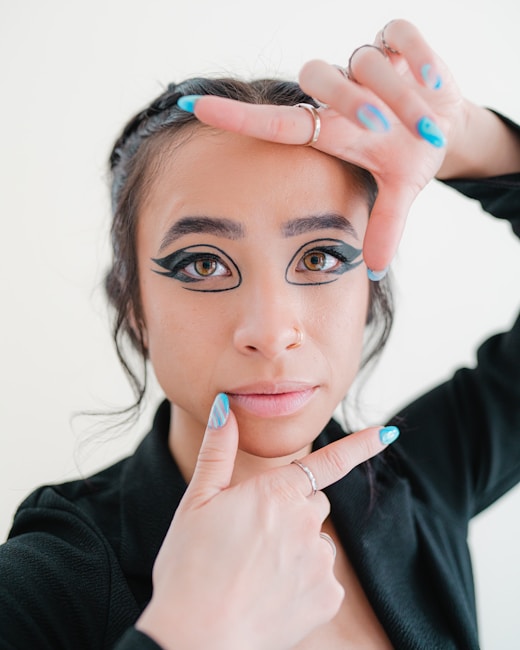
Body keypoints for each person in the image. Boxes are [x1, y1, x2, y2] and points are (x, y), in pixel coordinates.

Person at [1, 18, 519, 650]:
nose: (272, 333)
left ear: (370, 288)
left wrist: (469, 143)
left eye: (321, 257)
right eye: (204, 263)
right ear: (134, 305)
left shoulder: (426, 480)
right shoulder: (44, 585)